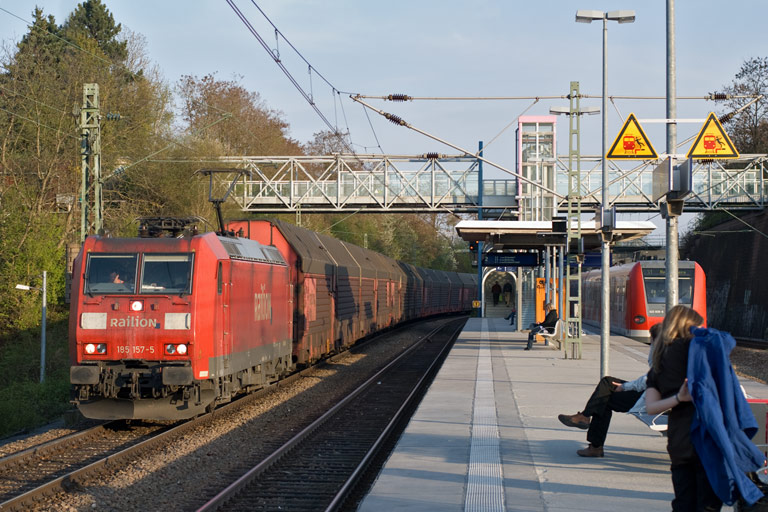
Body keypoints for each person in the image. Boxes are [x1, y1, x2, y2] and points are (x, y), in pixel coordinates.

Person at [645, 305, 764, 511]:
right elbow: (726, 342)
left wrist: (679, 398)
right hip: (707, 438)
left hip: (679, 441)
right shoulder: (702, 352)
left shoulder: (659, 363)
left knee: (683, 503)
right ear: (690, 326)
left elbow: (651, 407)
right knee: (708, 505)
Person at [558, 323, 661, 457]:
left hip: (652, 399)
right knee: (606, 387)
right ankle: (587, 422)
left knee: (605, 395)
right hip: (654, 395)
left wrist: (625, 386)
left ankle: (591, 434)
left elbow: (649, 379)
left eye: (652, 339)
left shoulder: (667, 356)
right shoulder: (671, 353)